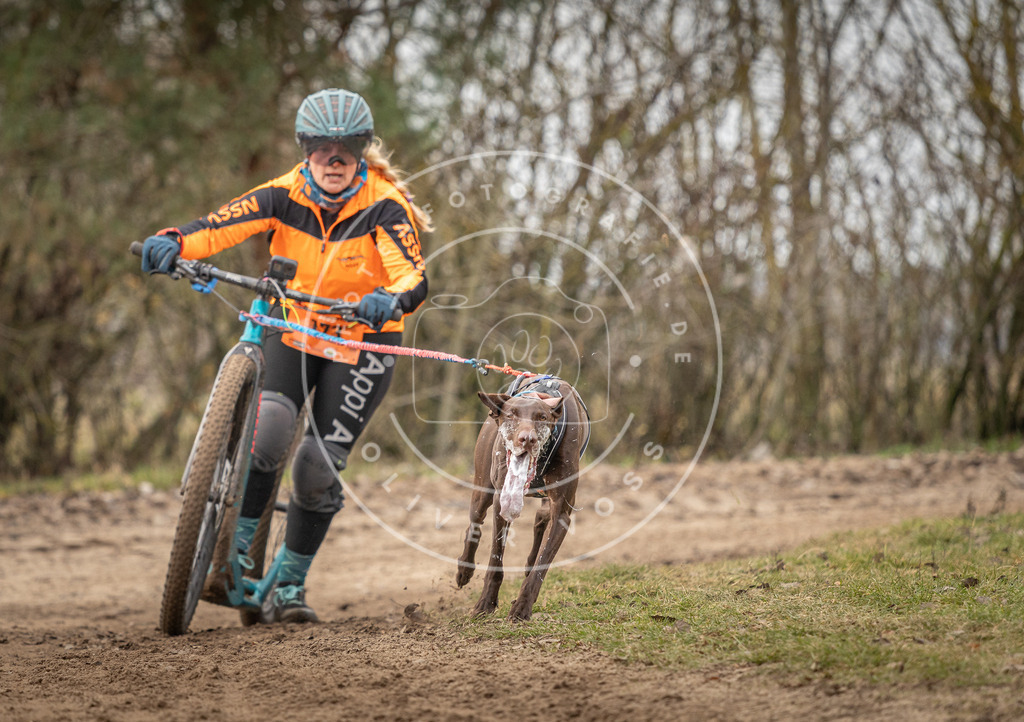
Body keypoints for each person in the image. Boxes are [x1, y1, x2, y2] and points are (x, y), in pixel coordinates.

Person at [141, 88, 431, 624]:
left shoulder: (386, 206)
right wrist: (173, 241)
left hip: (362, 344)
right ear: (305, 149)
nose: (335, 158)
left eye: (349, 147)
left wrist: (389, 299)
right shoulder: (282, 193)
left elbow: (413, 276)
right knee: (269, 430)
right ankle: (235, 562)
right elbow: (217, 226)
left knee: (316, 467)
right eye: (322, 147)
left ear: (363, 150)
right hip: (293, 328)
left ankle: (288, 587)